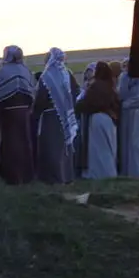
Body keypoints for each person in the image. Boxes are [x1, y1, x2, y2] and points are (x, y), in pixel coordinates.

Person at [32, 48, 79, 184]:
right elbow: (76, 92)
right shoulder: (67, 74)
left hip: (50, 117)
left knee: (51, 147)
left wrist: (35, 112)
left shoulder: (47, 76)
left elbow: (41, 98)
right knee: (65, 146)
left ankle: (53, 178)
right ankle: (67, 176)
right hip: (66, 116)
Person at [0, 45, 36, 184]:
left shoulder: (2, 72)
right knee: (24, 143)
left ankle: (12, 177)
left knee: (11, 144)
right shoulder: (26, 71)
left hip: (8, 114)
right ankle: (26, 176)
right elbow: (32, 93)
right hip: (24, 113)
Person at [75, 61, 119, 180]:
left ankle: (99, 174)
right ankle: (109, 173)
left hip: (97, 120)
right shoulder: (111, 85)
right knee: (108, 148)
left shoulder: (96, 86)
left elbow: (88, 103)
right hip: (109, 120)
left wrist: (77, 106)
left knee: (98, 150)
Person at [117, 56, 139, 177]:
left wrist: (125, 104)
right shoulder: (123, 78)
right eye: (124, 66)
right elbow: (121, 94)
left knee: (137, 144)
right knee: (125, 143)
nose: (126, 68)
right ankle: (127, 172)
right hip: (126, 115)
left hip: (138, 114)